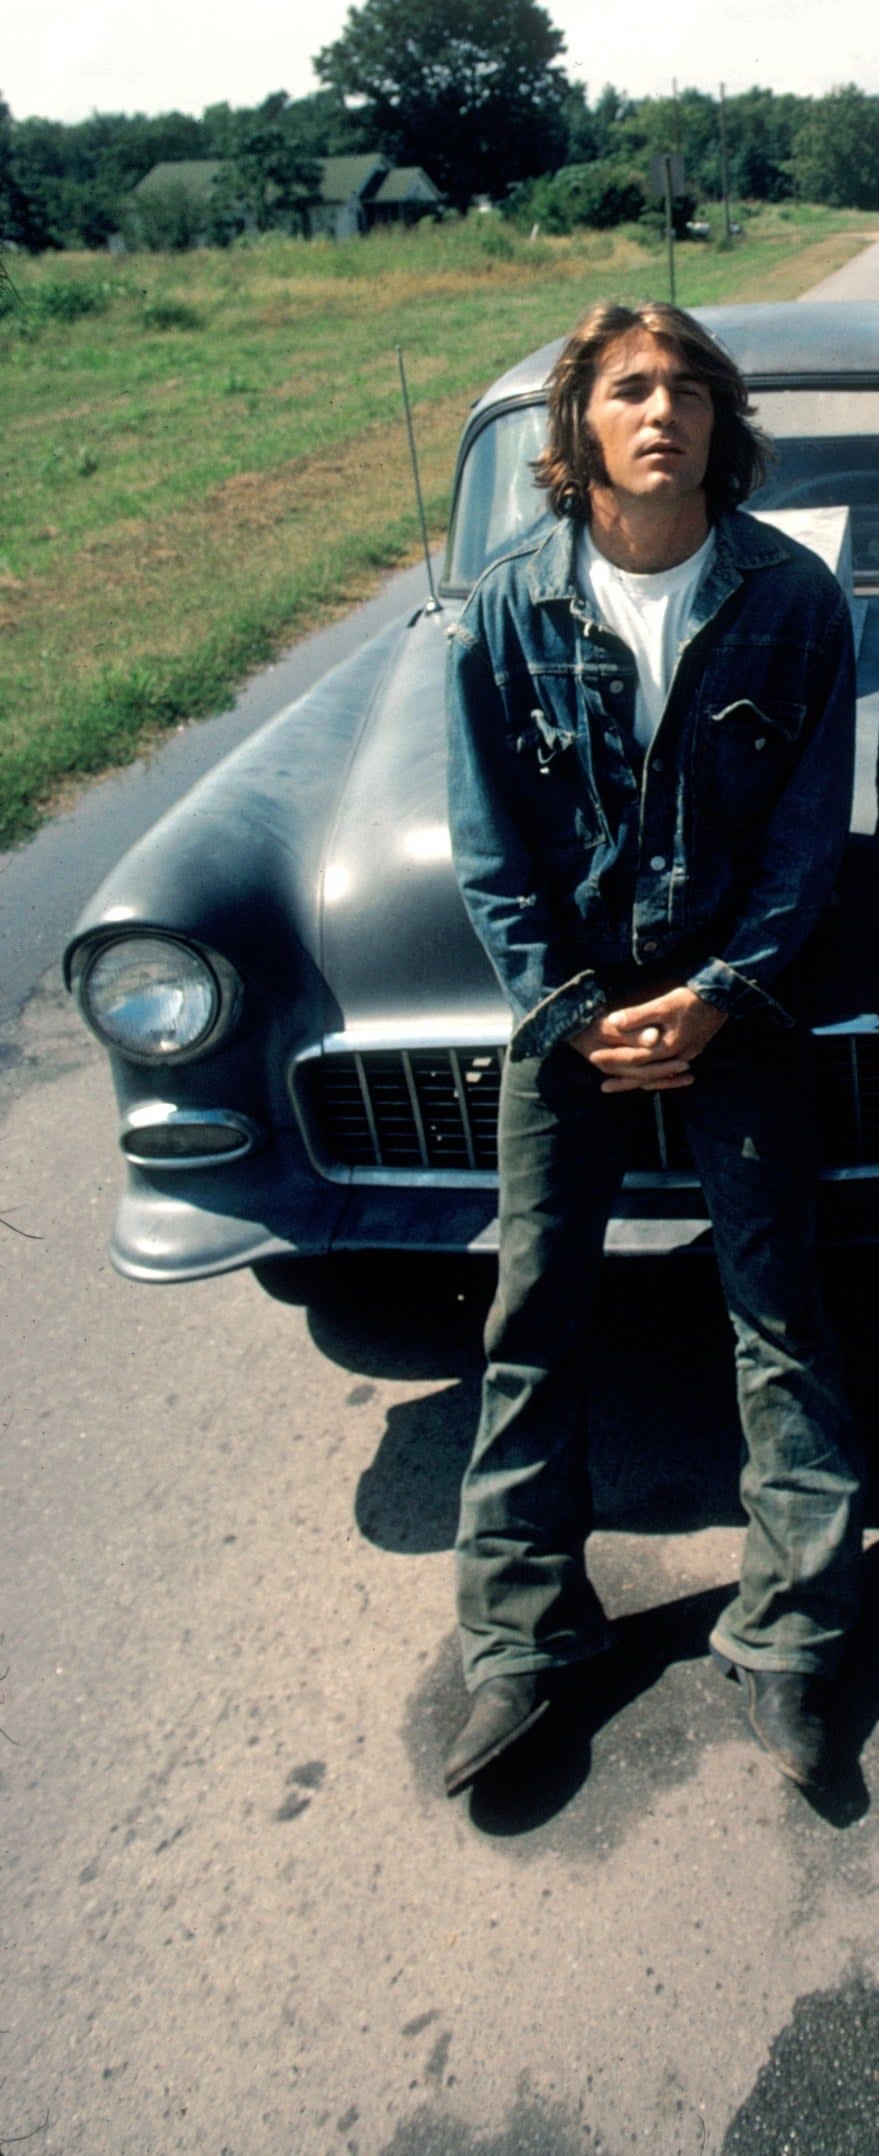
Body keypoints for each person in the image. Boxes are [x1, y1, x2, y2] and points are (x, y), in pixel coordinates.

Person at [444, 299, 864, 1800]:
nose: (663, 408)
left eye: (689, 385)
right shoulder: (504, 611)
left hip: (740, 1007)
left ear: (720, 422)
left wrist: (724, 994)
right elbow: (489, 849)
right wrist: (574, 1016)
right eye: (629, 387)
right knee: (532, 1313)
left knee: (782, 1308)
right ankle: (523, 1643)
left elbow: (807, 837)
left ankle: (797, 1636)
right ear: (582, 428)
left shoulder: (792, 603)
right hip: (570, 1016)